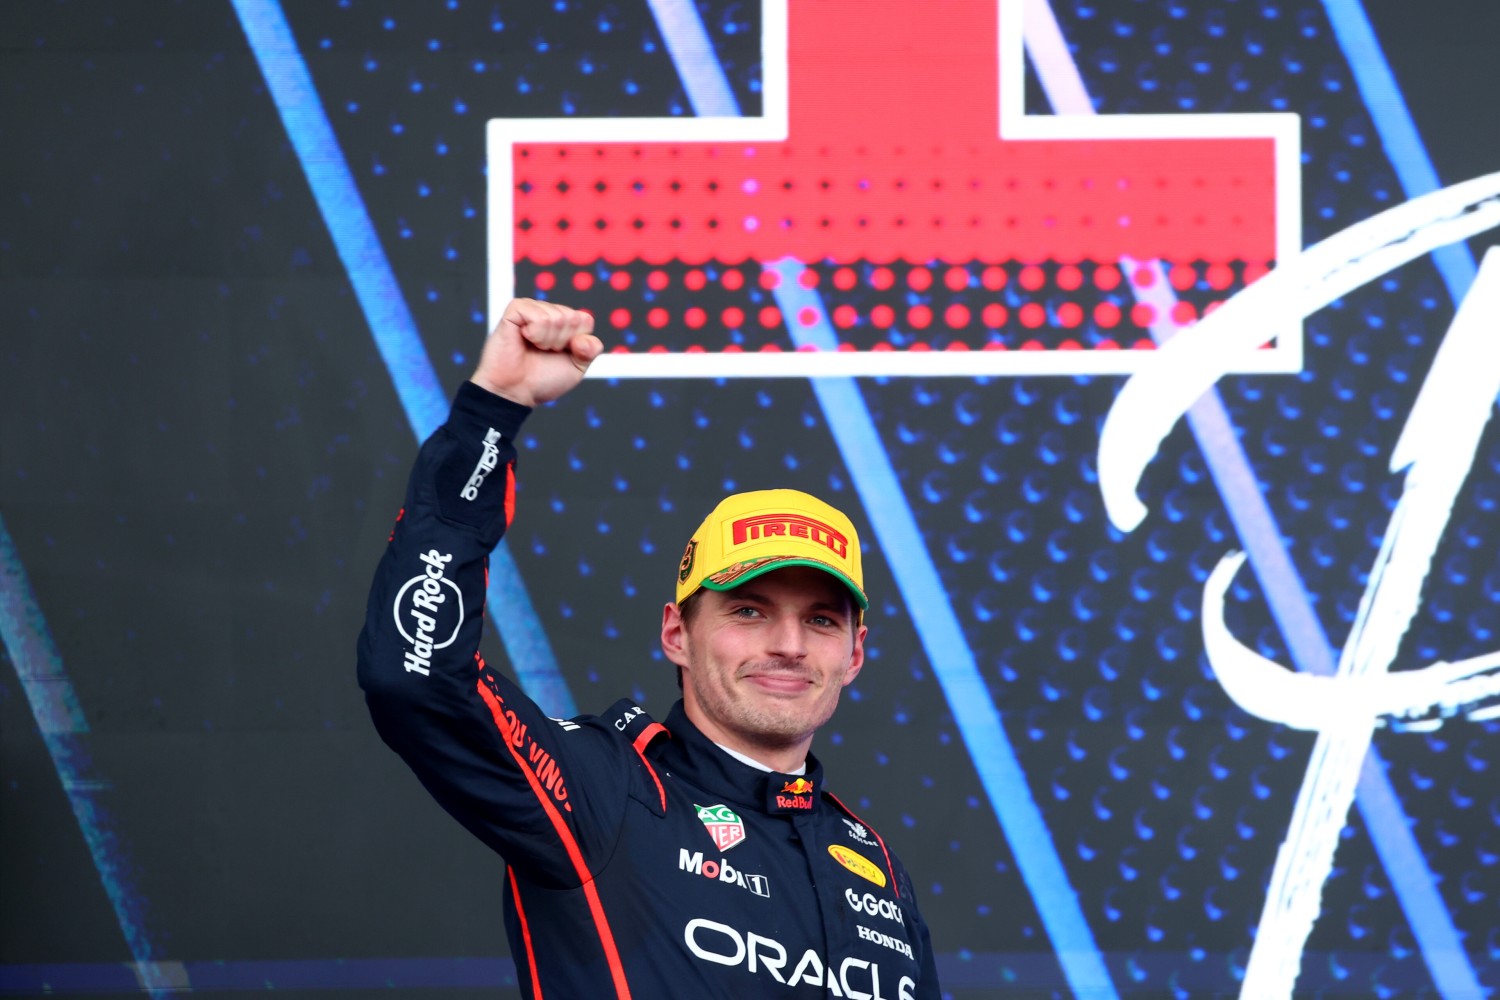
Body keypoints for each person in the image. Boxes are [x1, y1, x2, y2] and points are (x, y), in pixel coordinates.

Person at [358, 298, 939, 998]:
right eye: (749, 611)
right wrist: (494, 412)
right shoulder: (604, 788)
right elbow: (416, 678)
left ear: (854, 654)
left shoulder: (873, 863)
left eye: (820, 621)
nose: (788, 645)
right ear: (676, 635)